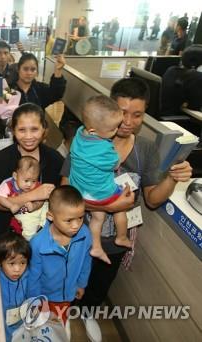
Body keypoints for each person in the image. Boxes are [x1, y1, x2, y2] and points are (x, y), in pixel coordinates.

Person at [61, 77, 192, 342]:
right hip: (76, 229)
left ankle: (87, 314)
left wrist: (172, 177)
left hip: (115, 239)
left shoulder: (146, 149)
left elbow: (153, 200)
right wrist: (110, 205)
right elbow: (64, 192)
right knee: (69, 274)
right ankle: (61, 314)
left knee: (100, 282)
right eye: (122, 113)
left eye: (138, 115)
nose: (129, 122)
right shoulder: (87, 140)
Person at [69, 96, 131, 265]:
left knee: (98, 217)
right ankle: (122, 237)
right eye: (113, 129)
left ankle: (96, 246)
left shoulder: (79, 133)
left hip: (80, 190)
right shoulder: (103, 148)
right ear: (93, 131)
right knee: (121, 208)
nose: (117, 130)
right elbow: (115, 163)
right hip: (101, 193)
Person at [0, 103, 63, 238]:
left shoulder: (54, 159)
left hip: (45, 231)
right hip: (10, 235)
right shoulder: (1, 160)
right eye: (22, 130)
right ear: (13, 130)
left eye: (34, 129)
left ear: (44, 129)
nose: (28, 136)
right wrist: (32, 195)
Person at [28, 185, 91, 331]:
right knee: (42, 328)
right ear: (51, 216)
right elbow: (32, 277)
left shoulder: (85, 234)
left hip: (68, 295)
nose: (76, 225)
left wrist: (82, 283)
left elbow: (86, 261)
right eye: (69, 220)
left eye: (80, 217)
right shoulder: (37, 244)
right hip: (45, 297)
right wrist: (36, 302)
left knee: (59, 327)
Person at [0, 156, 49, 240]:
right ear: (15, 176)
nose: (29, 184)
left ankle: (44, 227)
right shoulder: (8, 184)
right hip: (24, 213)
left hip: (38, 208)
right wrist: (10, 206)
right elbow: (0, 197)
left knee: (48, 206)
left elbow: (41, 199)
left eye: (34, 181)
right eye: (26, 180)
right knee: (28, 229)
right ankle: (31, 239)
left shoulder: (36, 185)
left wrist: (35, 206)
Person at [0, 231, 31, 341]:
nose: (17, 269)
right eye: (11, 263)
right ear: (0, 262)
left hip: (24, 323)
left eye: (22, 263)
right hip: (2, 323)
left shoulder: (29, 276)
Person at [161, 44, 202, 117]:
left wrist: (186, 103)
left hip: (163, 116)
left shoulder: (171, 69)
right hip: (177, 120)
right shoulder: (197, 77)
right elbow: (195, 106)